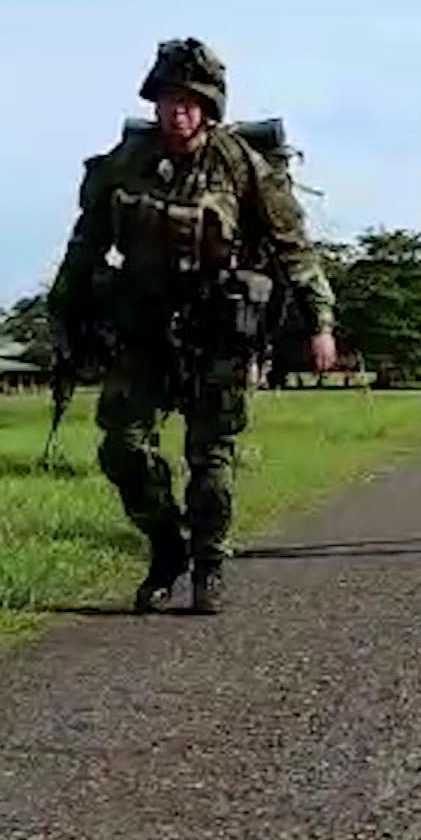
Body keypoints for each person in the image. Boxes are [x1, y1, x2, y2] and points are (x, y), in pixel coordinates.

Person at [47, 37, 338, 614]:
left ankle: (209, 563)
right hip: (143, 325)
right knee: (122, 448)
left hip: (218, 330)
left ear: (208, 108)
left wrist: (320, 321)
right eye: (167, 99)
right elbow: (86, 243)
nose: (177, 111)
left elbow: (293, 249)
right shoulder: (126, 161)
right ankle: (166, 548)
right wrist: (63, 308)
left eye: (189, 101)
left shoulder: (240, 165)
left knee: (211, 461)